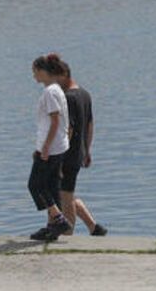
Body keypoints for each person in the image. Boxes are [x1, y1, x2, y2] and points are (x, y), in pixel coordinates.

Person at [47, 54, 108, 236]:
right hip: (79, 152)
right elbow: (90, 125)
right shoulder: (85, 94)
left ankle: (67, 235)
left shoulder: (68, 98)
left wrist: (58, 156)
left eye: (54, 79)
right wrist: (87, 150)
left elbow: (69, 129)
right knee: (63, 193)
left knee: (63, 196)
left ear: (64, 74)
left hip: (67, 154)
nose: (53, 84)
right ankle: (93, 227)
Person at [28, 54, 72, 241]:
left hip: (52, 147)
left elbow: (55, 121)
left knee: (35, 185)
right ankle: (52, 226)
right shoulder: (56, 90)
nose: (34, 76)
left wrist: (44, 147)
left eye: (35, 72)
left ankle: (58, 218)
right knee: (52, 186)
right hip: (58, 145)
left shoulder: (50, 92)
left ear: (43, 71)